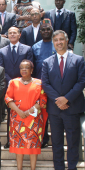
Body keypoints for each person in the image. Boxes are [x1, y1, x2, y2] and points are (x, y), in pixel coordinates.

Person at [42, 30, 85, 170]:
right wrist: (58, 100)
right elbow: (45, 84)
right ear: (53, 43)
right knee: (56, 141)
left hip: (72, 107)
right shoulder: (47, 62)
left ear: (67, 41)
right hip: (55, 109)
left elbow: (81, 82)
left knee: (73, 141)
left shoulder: (78, 60)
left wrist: (66, 98)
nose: (59, 42)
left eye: (62, 39)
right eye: (56, 40)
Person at [5, 59, 48, 170]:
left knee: (33, 147)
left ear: (32, 70)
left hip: (34, 120)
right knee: (18, 146)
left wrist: (28, 111)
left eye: (27, 67)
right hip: (17, 119)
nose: (24, 70)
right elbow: (8, 98)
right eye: (21, 67)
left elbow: (43, 100)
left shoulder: (39, 83)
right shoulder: (13, 82)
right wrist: (19, 111)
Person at [0, 27, 33, 149]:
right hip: (10, 87)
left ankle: (26, 139)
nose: (12, 34)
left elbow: (28, 67)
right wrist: (12, 82)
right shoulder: (2, 51)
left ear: (19, 35)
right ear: (7, 36)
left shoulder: (27, 49)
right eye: (10, 33)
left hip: (25, 86)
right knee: (11, 114)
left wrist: (21, 81)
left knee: (25, 112)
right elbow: (1, 69)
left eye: (15, 33)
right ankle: (10, 140)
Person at [32, 19, 56, 149]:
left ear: (52, 31)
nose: (46, 31)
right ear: (40, 32)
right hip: (40, 87)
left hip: (56, 86)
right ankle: (43, 138)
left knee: (54, 113)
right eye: (43, 30)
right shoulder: (35, 47)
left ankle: (56, 138)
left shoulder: (56, 45)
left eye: (48, 29)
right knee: (41, 114)